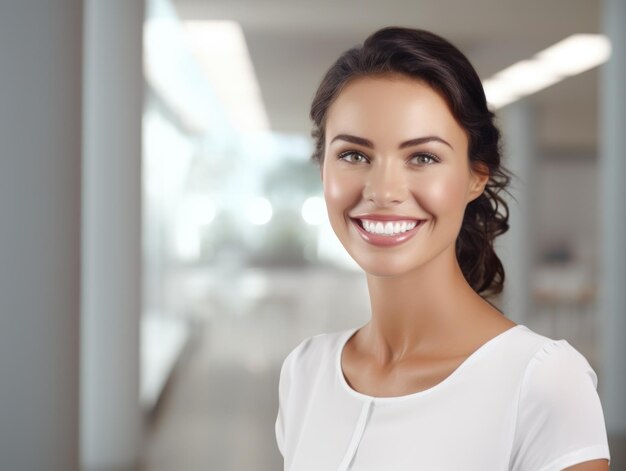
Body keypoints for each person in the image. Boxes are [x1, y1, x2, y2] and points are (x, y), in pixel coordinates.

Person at [274, 27, 611, 471]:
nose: (383, 191)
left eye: (423, 157)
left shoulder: (543, 381)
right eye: (354, 155)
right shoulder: (305, 372)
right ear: (324, 168)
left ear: (476, 176)